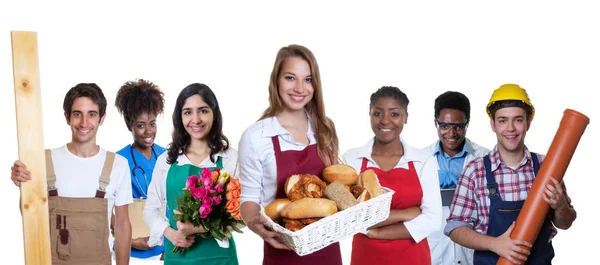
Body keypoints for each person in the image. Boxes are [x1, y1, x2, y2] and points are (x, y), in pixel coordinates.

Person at [444, 84, 577, 265]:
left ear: (528, 123)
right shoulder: (475, 171)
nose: (510, 128)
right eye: (502, 120)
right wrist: (495, 244)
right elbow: (455, 227)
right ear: (493, 124)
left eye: (518, 120)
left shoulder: (548, 167)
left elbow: (565, 223)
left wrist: (560, 206)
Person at [238, 44, 343, 265]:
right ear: (276, 80)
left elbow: (335, 187)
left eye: (307, 79)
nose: (299, 88)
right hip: (281, 250)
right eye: (290, 78)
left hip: (328, 252)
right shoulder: (257, 136)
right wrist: (253, 223)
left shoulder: (325, 128)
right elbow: (249, 199)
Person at [10, 83, 133, 265]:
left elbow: (122, 225)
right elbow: (29, 216)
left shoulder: (118, 165)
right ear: (67, 117)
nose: (84, 123)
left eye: (91, 114)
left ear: (102, 118)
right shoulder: (42, 161)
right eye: (77, 114)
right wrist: (23, 184)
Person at [343, 86, 442, 265]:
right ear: (369, 114)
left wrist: (377, 232)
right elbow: (346, 218)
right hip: (366, 257)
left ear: (406, 117)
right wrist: (404, 214)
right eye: (378, 113)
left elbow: (433, 220)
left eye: (394, 114)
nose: (385, 121)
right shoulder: (351, 159)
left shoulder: (423, 161)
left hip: (413, 259)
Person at [143, 83, 239, 265]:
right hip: (178, 257)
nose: (195, 120)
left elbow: (240, 214)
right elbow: (151, 209)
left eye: (203, 111)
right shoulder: (166, 161)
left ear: (214, 113)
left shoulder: (230, 158)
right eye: (188, 112)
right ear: (180, 117)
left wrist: (196, 227)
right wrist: (170, 233)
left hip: (220, 258)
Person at [423, 91, 489, 265]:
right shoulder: (420, 160)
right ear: (435, 123)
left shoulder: (486, 159)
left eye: (458, 127)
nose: (451, 133)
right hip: (434, 250)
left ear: (467, 124)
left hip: (472, 250)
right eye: (444, 126)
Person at [114, 79, 167, 260]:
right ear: (130, 125)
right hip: (132, 253)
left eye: (152, 123)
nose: (148, 131)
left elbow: (176, 203)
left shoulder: (167, 156)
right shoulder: (118, 160)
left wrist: (171, 246)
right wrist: (130, 241)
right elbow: (105, 210)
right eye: (141, 125)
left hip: (164, 250)